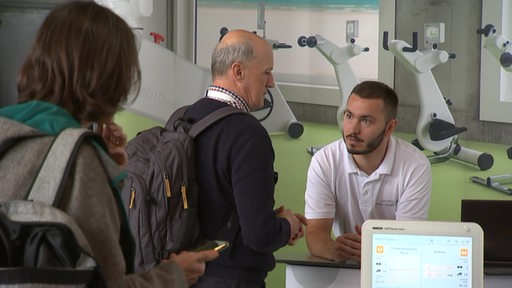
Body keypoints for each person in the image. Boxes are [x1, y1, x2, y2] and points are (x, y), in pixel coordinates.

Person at [0, 1, 217, 287]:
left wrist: (106, 172)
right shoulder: (81, 162)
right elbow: (107, 283)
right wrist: (173, 274)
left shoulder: (9, 132)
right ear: (109, 78)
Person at [180, 29, 306, 288]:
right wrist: (287, 225)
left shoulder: (184, 119)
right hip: (232, 279)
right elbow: (259, 236)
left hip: (184, 276)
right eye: (266, 72)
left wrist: (268, 218)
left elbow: (213, 205)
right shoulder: (247, 134)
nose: (271, 83)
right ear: (238, 72)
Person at [304, 80, 432, 263]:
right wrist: (337, 251)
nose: (352, 129)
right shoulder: (324, 161)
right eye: (349, 116)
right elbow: (315, 232)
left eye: (365, 120)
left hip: (394, 269)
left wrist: (374, 252)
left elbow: (408, 241)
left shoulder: (415, 165)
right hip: (344, 265)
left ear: (389, 127)